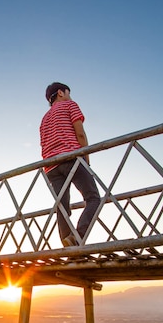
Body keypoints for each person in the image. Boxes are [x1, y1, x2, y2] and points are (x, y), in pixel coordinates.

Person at [40, 82, 100, 247]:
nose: (70, 96)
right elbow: (80, 133)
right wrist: (86, 158)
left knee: (62, 206)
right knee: (93, 197)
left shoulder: (44, 119)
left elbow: (44, 143)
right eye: (69, 93)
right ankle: (77, 237)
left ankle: (68, 244)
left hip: (51, 166)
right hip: (71, 159)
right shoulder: (69, 105)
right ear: (61, 93)